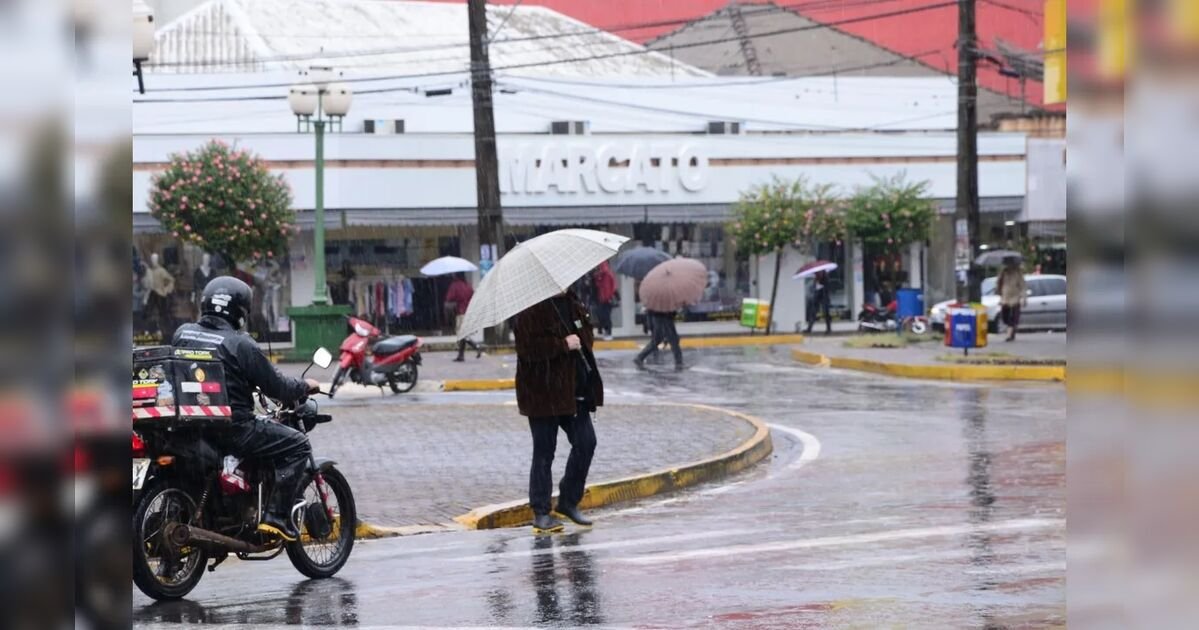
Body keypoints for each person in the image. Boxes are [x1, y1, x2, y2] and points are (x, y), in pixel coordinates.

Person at [172, 276, 320, 541]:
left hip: (192, 425)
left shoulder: (183, 333)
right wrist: (305, 385)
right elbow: (279, 387)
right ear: (240, 311)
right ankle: (277, 517)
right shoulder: (240, 343)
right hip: (233, 429)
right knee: (298, 445)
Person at [514, 290, 603, 534]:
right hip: (542, 394)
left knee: (586, 443)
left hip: (574, 392)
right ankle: (541, 512)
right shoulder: (530, 308)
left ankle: (568, 501)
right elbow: (527, 349)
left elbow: (587, 335)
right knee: (544, 452)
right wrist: (562, 344)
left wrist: (580, 338)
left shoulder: (574, 302)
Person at [445, 273, 482, 361]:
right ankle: (461, 355)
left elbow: (449, 297)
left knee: (462, 335)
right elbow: (473, 297)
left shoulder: (455, 285)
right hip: (468, 312)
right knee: (463, 334)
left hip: (460, 312)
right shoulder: (467, 285)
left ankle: (476, 347)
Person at [996, 257, 1027, 342]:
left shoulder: (1018, 273)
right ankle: (1011, 330)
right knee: (1004, 316)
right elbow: (998, 284)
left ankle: (1009, 334)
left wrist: (1023, 298)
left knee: (1014, 317)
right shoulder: (1003, 273)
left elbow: (1023, 286)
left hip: (1015, 297)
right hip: (1005, 298)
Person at [592, 261, 616, 341]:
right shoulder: (599, 276)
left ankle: (608, 332)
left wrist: (609, 296)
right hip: (601, 299)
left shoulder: (607, 275)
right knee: (602, 316)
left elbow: (611, 286)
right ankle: (605, 331)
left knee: (606, 316)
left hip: (606, 299)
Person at [805, 270, 833, 334]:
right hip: (817, 298)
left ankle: (829, 329)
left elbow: (826, 289)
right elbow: (815, 289)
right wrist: (816, 282)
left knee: (826, 313)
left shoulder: (825, 280)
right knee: (813, 312)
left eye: (818, 273)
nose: (816, 274)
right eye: (816, 273)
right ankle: (809, 328)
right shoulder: (816, 279)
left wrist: (819, 284)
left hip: (824, 298)